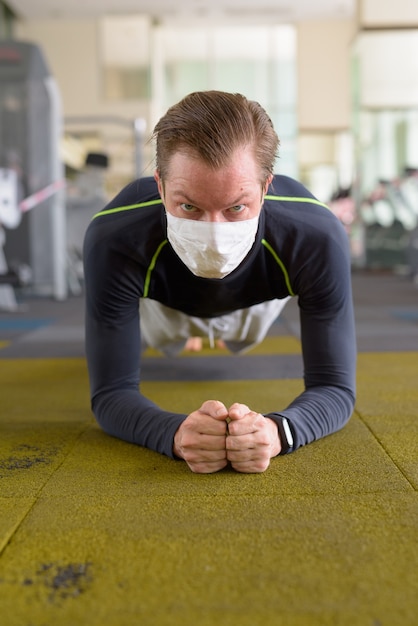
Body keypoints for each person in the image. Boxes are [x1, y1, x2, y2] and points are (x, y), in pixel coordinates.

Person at [83, 90, 356, 474]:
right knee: (169, 342)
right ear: (159, 186)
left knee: (240, 338)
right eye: (189, 206)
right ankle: (191, 332)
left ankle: (218, 331)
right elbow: (111, 394)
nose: (213, 232)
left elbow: (336, 387)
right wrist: (174, 433)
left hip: (255, 305)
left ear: (265, 188)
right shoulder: (115, 237)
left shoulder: (315, 235)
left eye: (236, 207)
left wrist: (280, 432)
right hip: (162, 308)